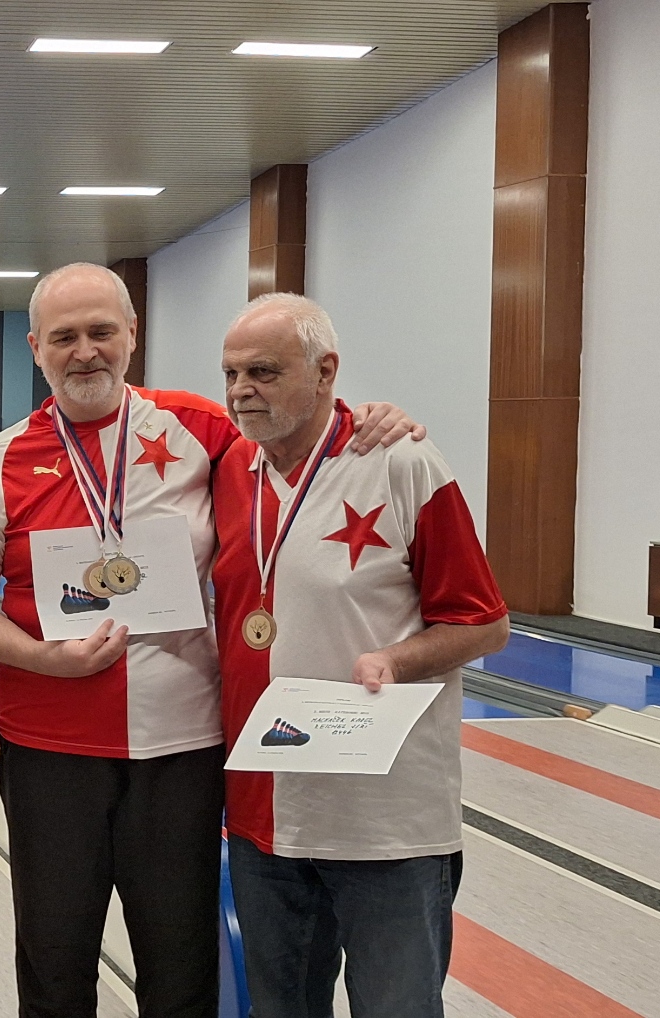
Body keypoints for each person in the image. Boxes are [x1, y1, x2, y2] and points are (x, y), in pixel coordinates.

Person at [0, 263, 421, 1018]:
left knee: (181, 970)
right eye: (64, 337)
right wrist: (41, 658)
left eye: (101, 331)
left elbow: (299, 438)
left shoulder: (200, 428)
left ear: (131, 335)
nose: (84, 351)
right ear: (36, 348)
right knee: (54, 966)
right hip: (49, 752)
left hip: (182, 749)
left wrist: (366, 417)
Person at [212, 293, 507, 1018]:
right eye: (231, 374)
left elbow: (484, 624)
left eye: (264, 372)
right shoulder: (229, 469)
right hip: (264, 817)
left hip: (385, 825)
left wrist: (396, 661)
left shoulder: (401, 463)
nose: (242, 390)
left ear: (325, 371)